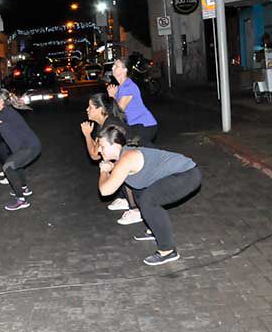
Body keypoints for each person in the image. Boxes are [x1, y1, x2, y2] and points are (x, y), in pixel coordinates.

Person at [97, 125, 202, 266]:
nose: (99, 150)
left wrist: (104, 171)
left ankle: (168, 250)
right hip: (180, 174)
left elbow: (105, 191)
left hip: (187, 174)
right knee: (140, 193)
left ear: (115, 145)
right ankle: (154, 229)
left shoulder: (127, 158)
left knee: (149, 200)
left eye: (102, 146)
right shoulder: (123, 157)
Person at [0, 89, 40, 211]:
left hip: (30, 147)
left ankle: (21, 200)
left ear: (0, 101)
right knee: (14, 163)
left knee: (8, 167)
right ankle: (24, 188)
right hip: (25, 147)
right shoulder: (2, 113)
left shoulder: (6, 112)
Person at [79, 93, 139, 223]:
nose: (87, 110)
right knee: (112, 163)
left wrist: (87, 135)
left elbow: (94, 155)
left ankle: (135, 210)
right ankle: (126, 199)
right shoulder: (104, 122)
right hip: (129, 154)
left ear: (100, 109)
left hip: (137, 156)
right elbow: (97, 149)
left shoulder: (109, 125)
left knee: (119, 167)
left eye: (90, 107)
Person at [107, 56, 158, 146]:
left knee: (141, 151)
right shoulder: (121, 87)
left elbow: (118, 112)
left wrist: (112, 97)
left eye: (116, 66)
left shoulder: (128, 87)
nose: (112, 68)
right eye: (113, 65)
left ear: (124, 70)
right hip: (133, 126)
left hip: (144, 126)